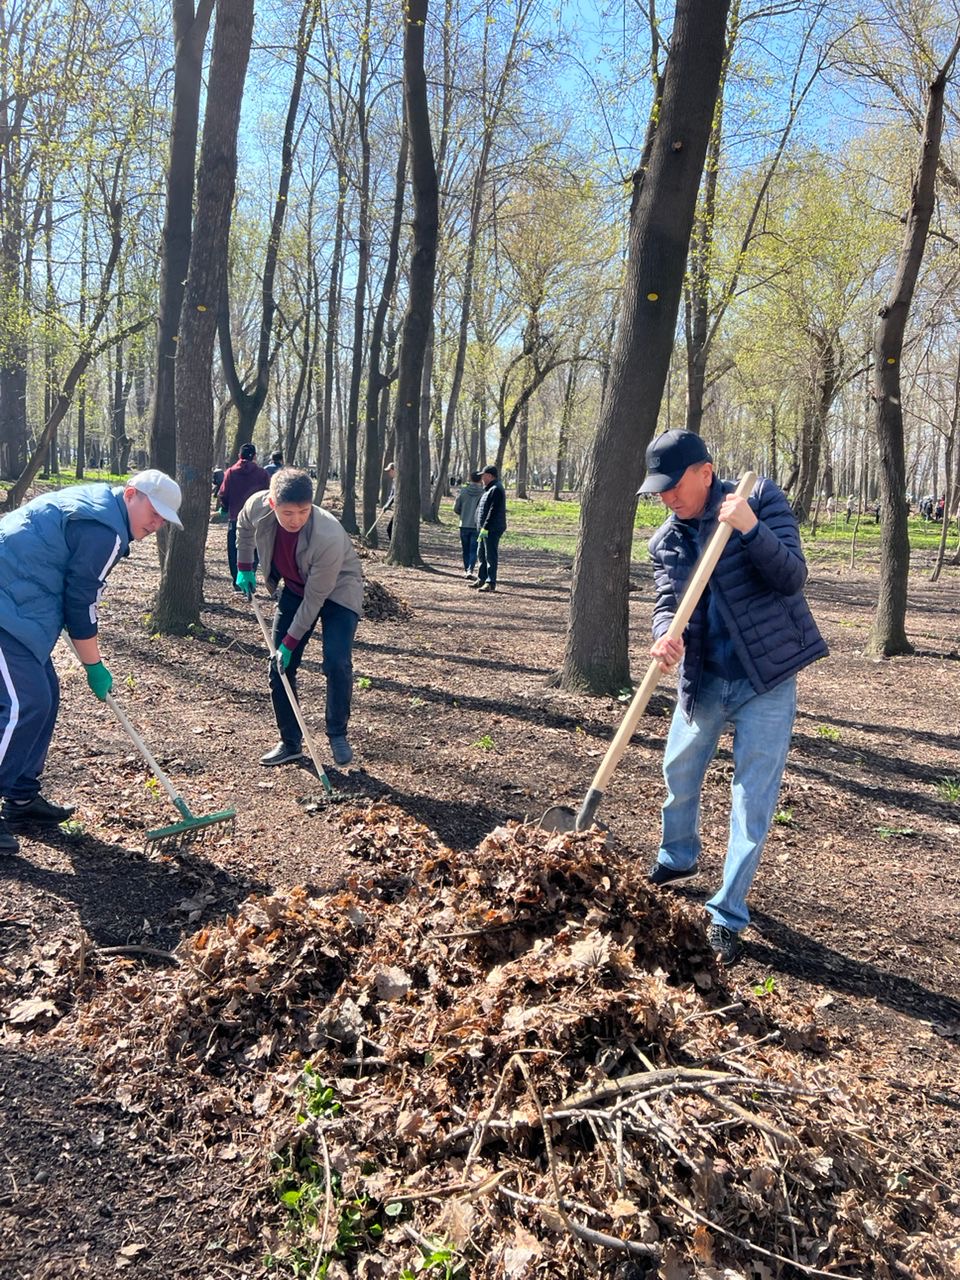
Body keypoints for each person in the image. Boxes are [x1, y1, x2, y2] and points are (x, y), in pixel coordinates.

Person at [639, 429, 828, 965]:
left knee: (752, 797)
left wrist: (750, 529)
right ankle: (678, 857)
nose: (667, 498)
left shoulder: (760, 498)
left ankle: (727, 912)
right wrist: (662, 633)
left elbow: (792, 578)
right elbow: (665, 600)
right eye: (658, 490)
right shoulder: (666, 540)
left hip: (765, 678)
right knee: (677, 771)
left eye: (674, 485)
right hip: (705, 675)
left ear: (705, 471)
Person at [0, 470, 183, 855]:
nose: (157, 523)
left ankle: (20, 797)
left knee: (44, 694)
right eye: (154, 511)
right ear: (131, 494)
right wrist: (94, 665)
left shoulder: (105, 510)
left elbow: (70, 582)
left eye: (164, 518)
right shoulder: (106, 530)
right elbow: (81, 602)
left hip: (20, 601)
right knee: (25, 702)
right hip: (6, 603)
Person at [235, 467, 364, 769]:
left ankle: (337, 733)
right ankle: (290, 742)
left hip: (338, 589)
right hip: (295, 585)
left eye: (304, 511)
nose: (296, 520)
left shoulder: (327, 534)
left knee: (336, 660)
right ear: (272, 504)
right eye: (288, 513)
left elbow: (316, 599)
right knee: (279, 667)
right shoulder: (257, 505)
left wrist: (290, 642)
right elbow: (243, 525)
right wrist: (243, 566)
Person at [218, 443, 270, 588]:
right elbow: (268, 495)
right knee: (253, 549)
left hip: (235, 518)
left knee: (235, 549)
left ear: (239, 456)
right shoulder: (262, 474)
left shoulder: (230, 472)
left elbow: (223, 493)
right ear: (254, 456)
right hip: (257, 520)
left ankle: (237, 581)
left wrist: (225, 507)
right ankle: (250, 575)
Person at [471, 464, 506, 593]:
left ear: (490, 476)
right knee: (481, 553)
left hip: (492, 528)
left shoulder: (496, 489)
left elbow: (493, 510)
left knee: (490, 555)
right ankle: (481, 578)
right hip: (483, 528)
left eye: (484, 476)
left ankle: (490, 582)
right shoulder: (488, 489)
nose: (482, 478)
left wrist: (485, 527)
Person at [454, 471, 483, 578]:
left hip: (464, 524)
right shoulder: (484, 492)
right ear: (480, 479)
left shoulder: (463, 491)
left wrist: (463, 514)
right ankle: (470, 569)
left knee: (465, 549)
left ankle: (466, 569)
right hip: (477, 526)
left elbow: (456, 508)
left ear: (470, 478)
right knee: (474, 549)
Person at [382, 462, 396, 541]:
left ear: (394, 470)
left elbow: (395, 496)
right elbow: (391, 495)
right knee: (390, 530)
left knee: (389, 529)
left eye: (390, 471)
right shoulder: (394, 481)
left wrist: (388, 505)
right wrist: (386, 505)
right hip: (396, 511)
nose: (389, 473)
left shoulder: (399, 481)